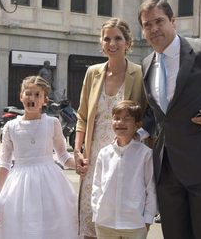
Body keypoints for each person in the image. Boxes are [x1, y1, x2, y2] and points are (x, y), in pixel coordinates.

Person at [138, 0, 201, 239]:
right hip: (167, 173)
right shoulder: (146, 64)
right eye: (147, 25)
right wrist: (138, 132)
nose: (154, 29)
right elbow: (159, 116)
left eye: (159, 21)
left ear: (173, 21)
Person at [74, 17, 147, 239]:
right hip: (94, 155)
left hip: (125, 155)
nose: (112, 43)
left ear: (128, 42)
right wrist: (78, 151)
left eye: (118, 38)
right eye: (107, 39)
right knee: (90, 219)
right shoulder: (92, 73)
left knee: (118, 220)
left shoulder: (140, 74)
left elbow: (147, 116)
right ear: (101, 42)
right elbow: (83, 116)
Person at [0, 76, 79, 239]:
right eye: (28, 93)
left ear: (45, 100)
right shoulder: (10, 127)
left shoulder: (52, 123)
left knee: (51, 227)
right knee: (21, 227)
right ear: (21, 96)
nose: (31, 98)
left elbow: (63, 156)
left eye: (37, 95)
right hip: (19, 185)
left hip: (50, 184)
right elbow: (4, 164)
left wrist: (79, 164)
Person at [91, 100, 157, 239]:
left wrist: (147, 220)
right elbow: (96, 186)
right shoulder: (104, 153)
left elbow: (151, 188)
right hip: (105, 223)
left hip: (134, 224)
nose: (120, 123)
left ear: (138, 124)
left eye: (127, 119)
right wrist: (97, 212)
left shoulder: (145, 154)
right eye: (116, 118)